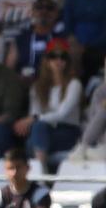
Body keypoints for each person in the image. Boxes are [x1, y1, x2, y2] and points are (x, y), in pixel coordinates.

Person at [13, 38, 82, 170]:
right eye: (53, 56)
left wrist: (34, 119)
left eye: (63, 57)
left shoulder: (74, 84)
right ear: (47, 60)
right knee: (34, 135)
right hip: (45, 131)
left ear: (68, 61)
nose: (58, 60)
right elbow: (34, 113)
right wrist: (34, 119)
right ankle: (42, 170)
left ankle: (41, 173)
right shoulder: (37, 86)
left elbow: (62, 114)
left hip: (68, 131)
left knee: (34, 137)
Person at [63, 0, 106, 81]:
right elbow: (68, 27)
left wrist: (87, 48)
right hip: (75, 50)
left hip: (101, 50)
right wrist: (76, 45)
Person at [5, 0, 66, 80]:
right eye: (39, 7)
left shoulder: (61, 39)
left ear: (57, 13)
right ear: (32, 11)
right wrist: (19, 78)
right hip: (22, 83)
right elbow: (8, 70)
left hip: (50, 83)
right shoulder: (20, 38)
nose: (44, 11)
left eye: (49, 8)